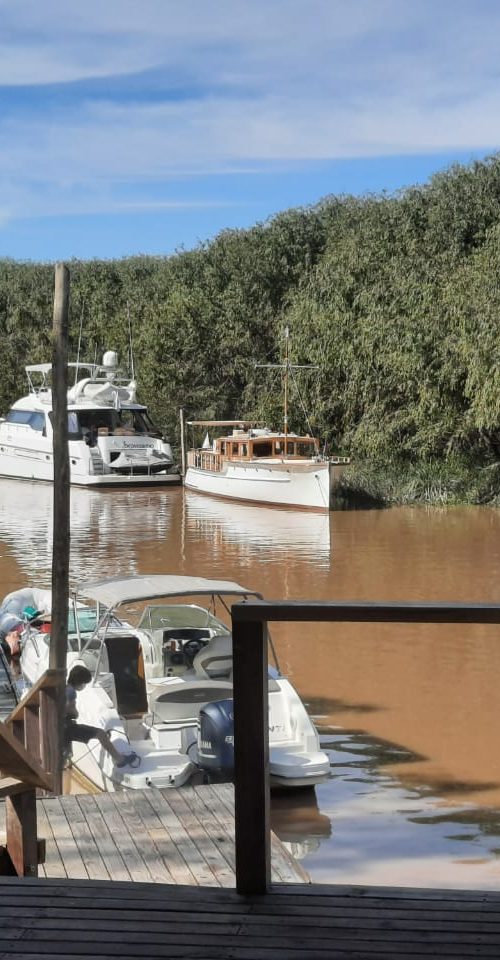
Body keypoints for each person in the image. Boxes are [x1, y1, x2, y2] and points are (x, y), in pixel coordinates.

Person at [65, 664, 140, 768]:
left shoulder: (65, 688)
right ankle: (120, 759)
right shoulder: (71, 692)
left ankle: (66, 762)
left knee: (66, 751)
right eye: (84, 683)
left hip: (62, 727)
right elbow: (69, 707)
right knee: (101, 734)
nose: (84, 686)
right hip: (67, 727)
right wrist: (75, 714)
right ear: (80, 682)